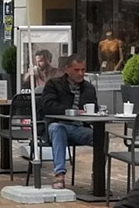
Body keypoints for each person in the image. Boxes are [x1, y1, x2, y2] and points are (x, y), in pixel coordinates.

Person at [37, 56, 99, 190]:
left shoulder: (88, 88)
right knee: (57, 129)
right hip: (57, 124)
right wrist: (71, 112)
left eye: (83, 70)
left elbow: (94, 107)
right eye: (77, 70)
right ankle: (59, 176)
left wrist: (94, 112)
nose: (81, 74)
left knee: (100, 136)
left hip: (79, 127)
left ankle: (98, 177)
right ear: (67, 70)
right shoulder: (53, 84)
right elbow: (48, 106)